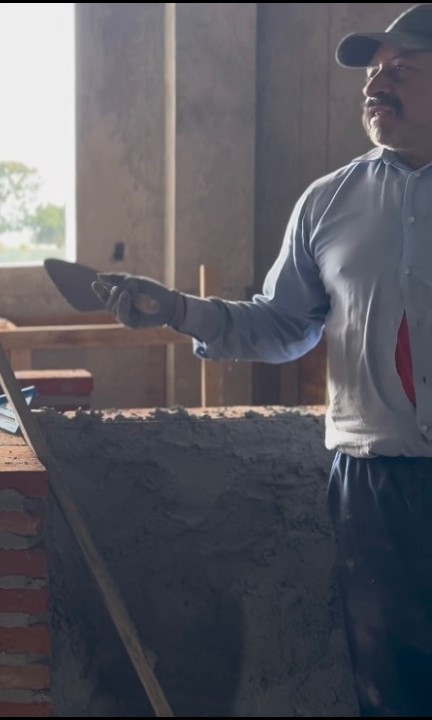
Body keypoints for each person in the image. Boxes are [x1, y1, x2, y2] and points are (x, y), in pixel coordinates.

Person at [90, 4, 432, 715]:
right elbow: (282, 326)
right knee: (392, 689)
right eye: (372, 71)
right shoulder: (328, 203)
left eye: (401, 67)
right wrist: (179, 309)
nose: (376, 83)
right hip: (375, 484)